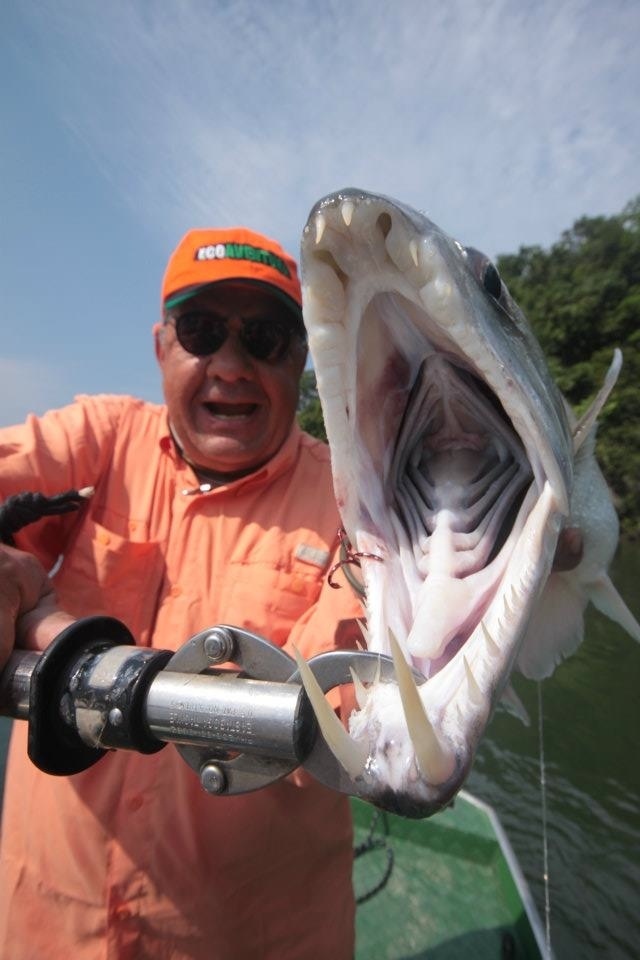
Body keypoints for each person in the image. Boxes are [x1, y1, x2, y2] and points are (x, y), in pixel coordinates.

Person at [0, 227, 363, 960]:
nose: (230, 366)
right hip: (46, 922)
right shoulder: (101, 440)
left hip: (249, 937)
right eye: (202, 331)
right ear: (163, 344)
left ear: (304, 361)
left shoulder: (356, 501)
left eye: (264, 338)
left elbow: (351, 705)